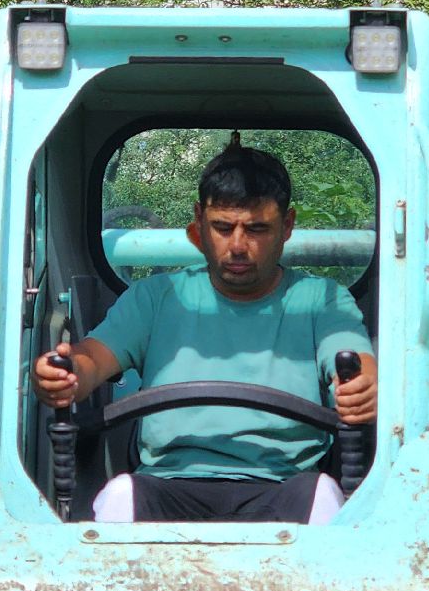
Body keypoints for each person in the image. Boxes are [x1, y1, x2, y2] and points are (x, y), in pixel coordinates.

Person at [32, 135, 377, 524]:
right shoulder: (157, 299)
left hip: (286, 487)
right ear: (198, 225)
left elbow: (354, 362)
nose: (238, 245)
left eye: (257, 229)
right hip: (167, 485)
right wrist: (64, 373)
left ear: (288, 226)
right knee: (119, 498)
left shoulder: (323, 301)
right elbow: (91, 359)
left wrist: (364, 387)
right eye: (222, 227)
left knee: (326, 500)